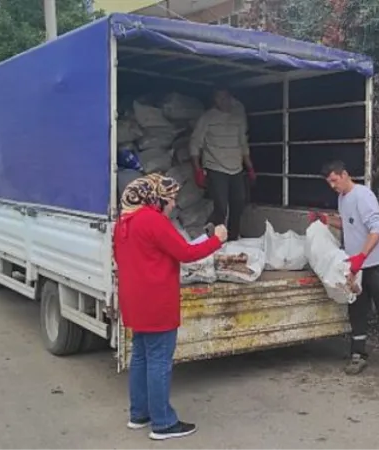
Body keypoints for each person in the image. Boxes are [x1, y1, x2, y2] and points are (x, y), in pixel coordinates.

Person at [114, 173, 228, 441]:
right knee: (159, 361)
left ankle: (138, 414)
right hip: (157, 302)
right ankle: (163, 423)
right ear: (156, 198)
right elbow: (186, 254)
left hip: (134, 301)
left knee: (141, 357)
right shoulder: (152, 220)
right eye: (171, 198)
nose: (174, 204)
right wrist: (217, 240)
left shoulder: (124, 222)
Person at [311, 161, 379, 379]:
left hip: (377, 264)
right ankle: (358, 355)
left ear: (345, 174)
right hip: (357, 265)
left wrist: (361, 257)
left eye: (334, 181)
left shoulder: (363, 196)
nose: (332, 186)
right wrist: (326, 220)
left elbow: (377, 230)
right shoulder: (342, 198)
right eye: (329, 183)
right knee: (356, 310)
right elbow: (349, 225)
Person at [189, 87, 256, 241]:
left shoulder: (238, 117)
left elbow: (243, 144)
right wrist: (197, 170)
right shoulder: (207, 118)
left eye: (224, 97)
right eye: (218, 98)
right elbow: (195, 143)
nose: (222, 101)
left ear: (230, 97)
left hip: (236, 168)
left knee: (239, 203)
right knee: (221, 207)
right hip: (215, 167)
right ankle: (211, 238)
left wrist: (250, 168)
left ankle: (232, 238)